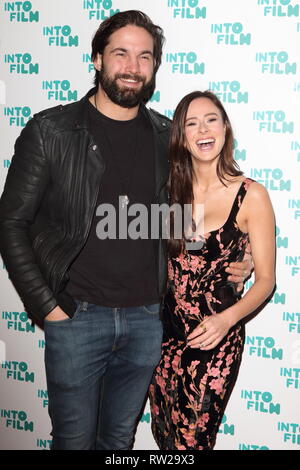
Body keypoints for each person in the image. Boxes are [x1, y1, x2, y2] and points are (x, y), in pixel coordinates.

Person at [0, 12, 250, 450]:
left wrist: (234, 259)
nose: (133, 67)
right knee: (74, 440)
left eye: (144, 56)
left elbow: (185, 222)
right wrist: (48, 308)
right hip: (76, 317)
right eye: (121, 53)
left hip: (148, 322)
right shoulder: (50, 131)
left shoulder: (165, 138)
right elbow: (11, 223)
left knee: (118, 442)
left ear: (154, 67)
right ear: (97, 59)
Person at [149, 90, 275, 450]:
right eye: (191, 123)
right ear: (181, 137)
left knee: (192, 441)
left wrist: (226, 320)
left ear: (225, 128)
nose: (202, 129)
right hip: (163, 337)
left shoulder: (251, 195)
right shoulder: (170, 193)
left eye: (211, 119)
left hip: (215, 340)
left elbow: (266, 281)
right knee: (165, 435)